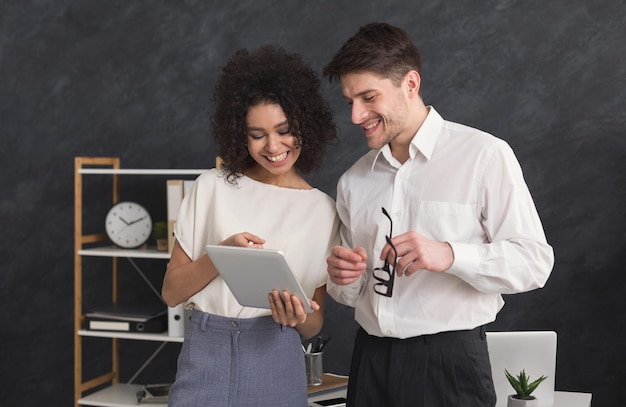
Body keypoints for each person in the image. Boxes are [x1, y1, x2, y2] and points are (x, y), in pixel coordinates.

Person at [323, 22, 554, 407]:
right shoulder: (353, 180)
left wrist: (450, 254)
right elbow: (350, 293)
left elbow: (535, 262)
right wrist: (342, 278)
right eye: (350, 101)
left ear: (410, 84)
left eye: (368, 97)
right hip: (369, 364)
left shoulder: (484, 155)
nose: (356, 116)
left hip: (450, 367)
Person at [161, 45, 340, 407]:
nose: (273, 146)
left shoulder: (323, 210)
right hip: (205, 354)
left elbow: (314, 325)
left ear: (305, 125)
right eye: (257, 134)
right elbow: (171, 292)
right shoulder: (211, 186)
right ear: (240, 134)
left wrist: (297, 317)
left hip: (276, 355)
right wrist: (222, 255)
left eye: (285, 130)